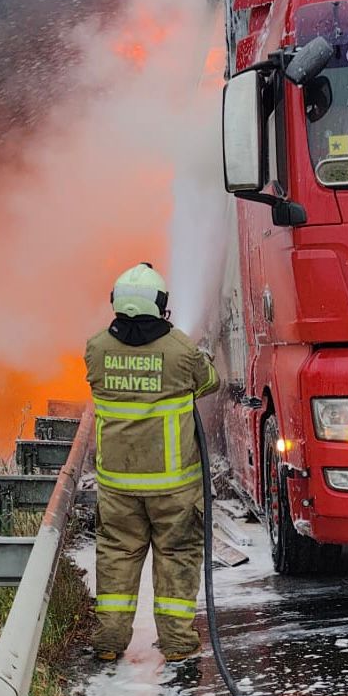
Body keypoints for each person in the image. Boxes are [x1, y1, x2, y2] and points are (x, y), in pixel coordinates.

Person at [84, 262, 219, 663]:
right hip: (173, 488)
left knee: (116, 557)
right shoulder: (181, 350)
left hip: (118, 486)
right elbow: (210, 382)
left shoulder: (96, 348)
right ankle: (177, 644)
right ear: (161, 305)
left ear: (115, 302)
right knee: (177, 557)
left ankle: (109, 642)